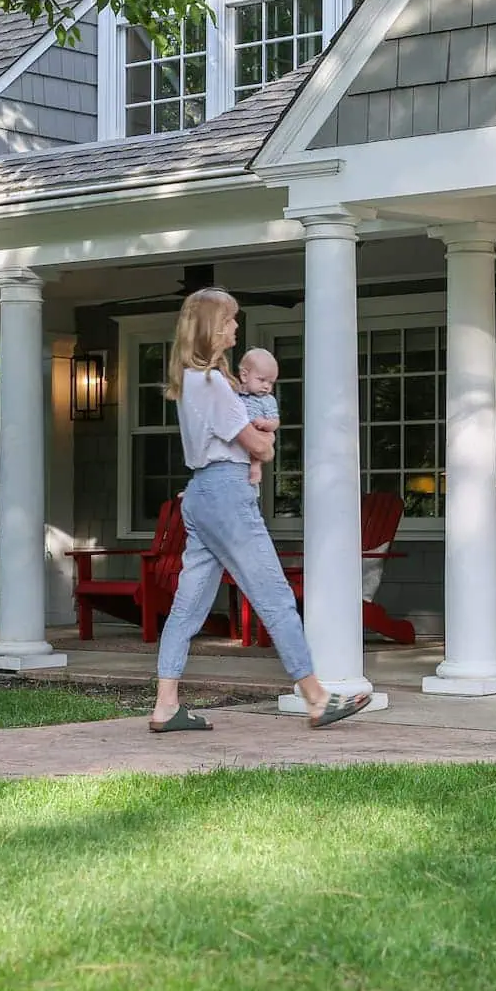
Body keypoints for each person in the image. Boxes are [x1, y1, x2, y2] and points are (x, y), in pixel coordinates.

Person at [149, 288, 373, 733]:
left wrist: (257, 438)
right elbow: (260, 446)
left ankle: (166, 705)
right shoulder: (213, 383)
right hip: (229, 494)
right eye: (230, 320)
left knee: (188, 604)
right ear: (212, 326)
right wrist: (264, 439)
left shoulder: (193, 382)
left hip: (199, 494)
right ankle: (316, 698)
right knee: (275, 596)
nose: (235, 326)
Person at [235, 347, 281, 487]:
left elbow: (275, 422)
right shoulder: (235, 393)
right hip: (239, 436)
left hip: (258, 431)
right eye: (262, 380)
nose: (266, 386)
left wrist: (265, 424)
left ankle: (256, 468)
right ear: (244, 376)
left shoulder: (268, 400)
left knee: (259, 451)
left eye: (271, 382)